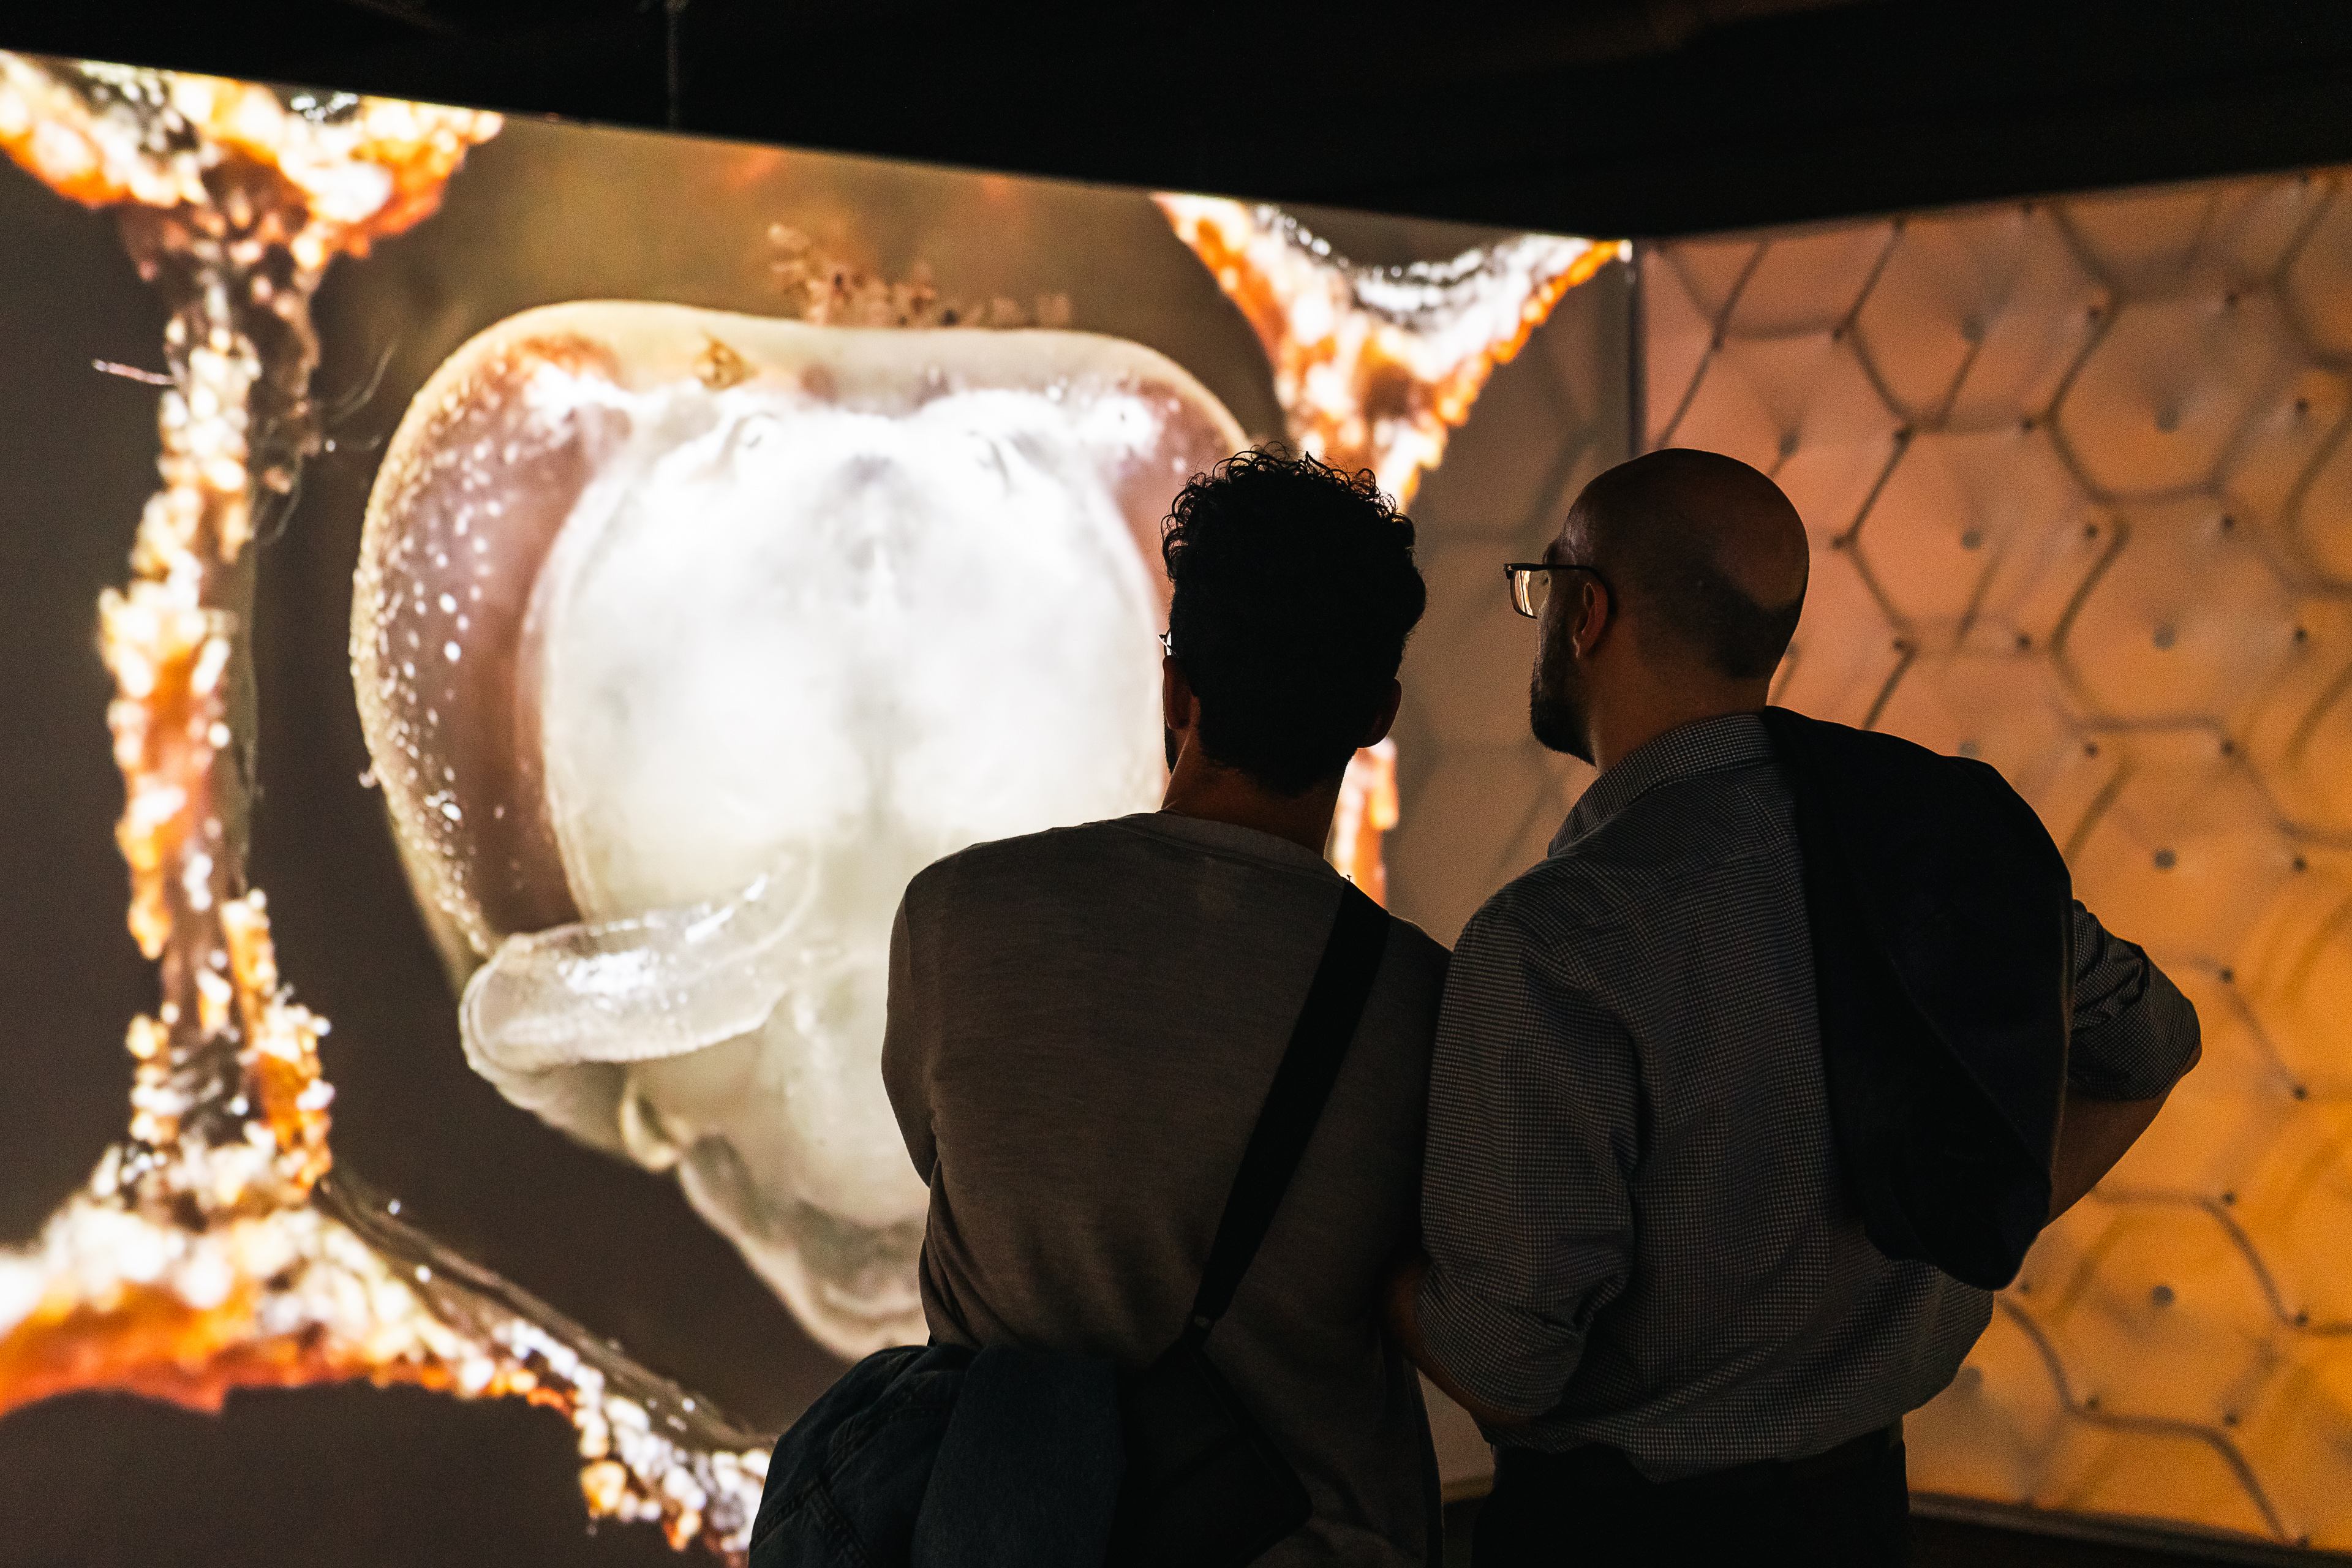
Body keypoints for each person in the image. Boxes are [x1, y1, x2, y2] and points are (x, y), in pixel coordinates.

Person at [1388, 448, 2201, 1566]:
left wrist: (1353, 1265)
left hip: (1619, 1542)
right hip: (1861, 1520)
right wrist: (1970, 1209)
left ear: (1586, 613)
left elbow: (1505, 1371)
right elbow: (2152, 1044)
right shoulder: (1928, 850)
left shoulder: (1556, 942)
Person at [881, 448, 1447, 1567]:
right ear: (1377, 713)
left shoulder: (957, 914)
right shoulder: (1423, 1001)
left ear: (1178, 687)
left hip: (1015, 1539)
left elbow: (944, 1158)